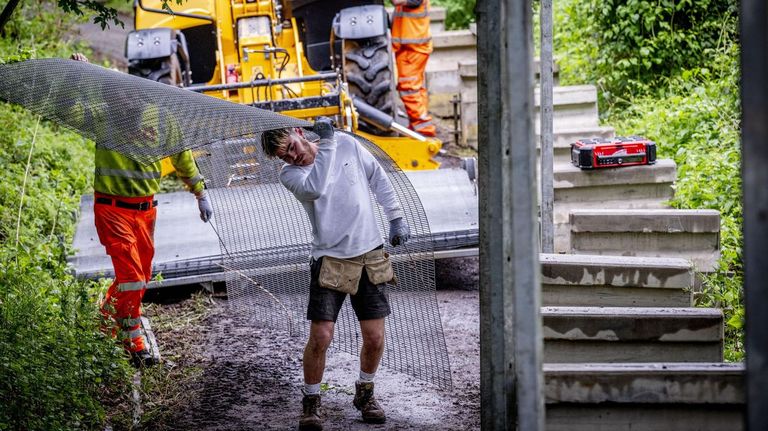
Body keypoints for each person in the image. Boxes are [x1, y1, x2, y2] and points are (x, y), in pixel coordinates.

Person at [261, 119, 411, 430]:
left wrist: (396, 217)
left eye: (291, 147)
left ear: (299, 132)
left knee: (374, 336)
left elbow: (378, 177)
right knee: (321, 336)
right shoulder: (291, 175)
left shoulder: (346, 144)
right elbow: (316, 187)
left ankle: (365, 393)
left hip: (370, 252)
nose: (292, 156)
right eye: (284, 156)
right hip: (330, 259)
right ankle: (311, 402)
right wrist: (326, 143)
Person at [71, 53, 213, 367]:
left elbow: (182, 158)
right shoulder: (102, 118)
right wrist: (78, 76)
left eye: (128, 92)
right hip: (112, 210)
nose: (124, 98)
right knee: (133, 276)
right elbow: (72, 110)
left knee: (140, 274)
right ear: (111, 97)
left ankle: (107, 321)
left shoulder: (162, 119)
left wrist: (200, 193)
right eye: (116, 94)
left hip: (146, 212)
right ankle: (132, 341)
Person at [391, 0, 436, 137]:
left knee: (409, 88)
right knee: (416, 89)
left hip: (413, 49)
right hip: (409, 48)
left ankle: (424, 131)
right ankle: (418, 126)